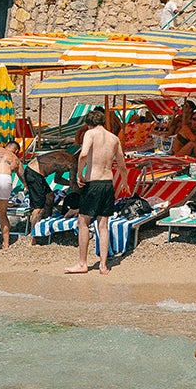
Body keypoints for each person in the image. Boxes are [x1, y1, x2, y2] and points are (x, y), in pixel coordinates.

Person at [67, 114, 126, 276]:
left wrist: (79, 174)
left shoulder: (90, 134)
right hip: (107, 184)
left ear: (88, 124)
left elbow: (84, 154)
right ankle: (103, 265)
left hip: (92, 183)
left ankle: (82, 263)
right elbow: (122, 164)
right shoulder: (114, 138)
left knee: (83, 222)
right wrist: (124, 183)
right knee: (103, 225)